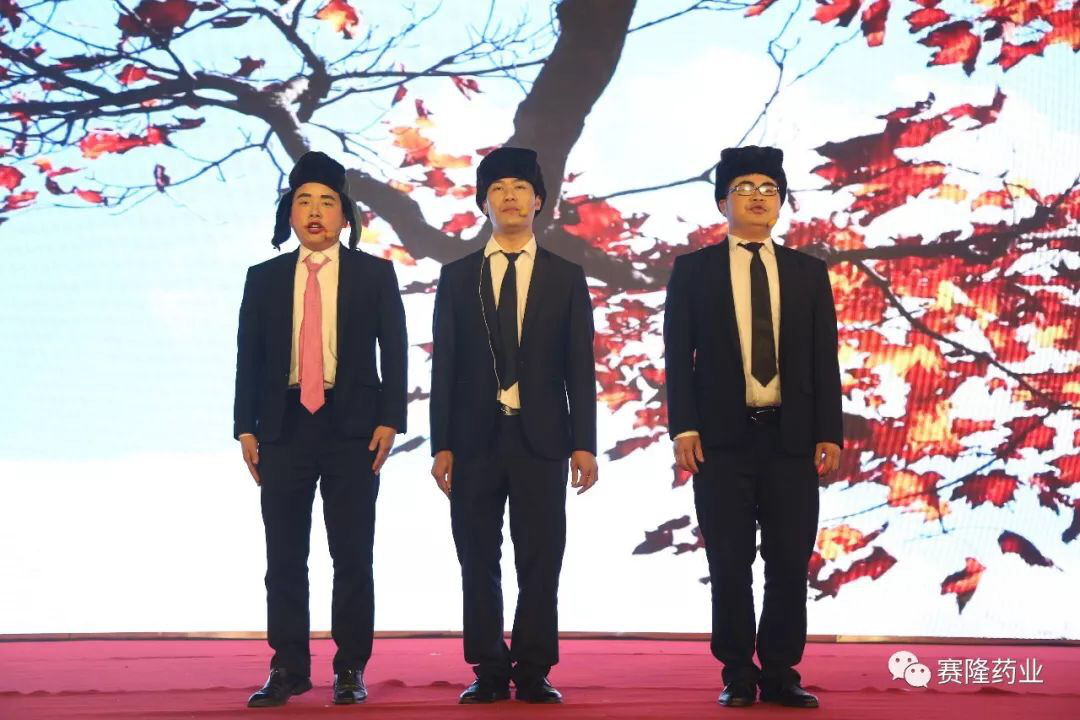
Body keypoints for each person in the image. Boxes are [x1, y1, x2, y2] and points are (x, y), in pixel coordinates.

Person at [664, 145, 843, 709]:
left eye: (770, 189)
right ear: (722, 202)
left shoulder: (807, 272)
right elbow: (677, 356)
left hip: (792, 439)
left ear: (782, 201)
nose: (758, 198)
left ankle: (782, 670)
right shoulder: (694, 270)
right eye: (744, 188)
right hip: (720, 441)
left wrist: (829, 431)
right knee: (729, 561)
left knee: (789, 561)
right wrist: (683, 428)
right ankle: (737, 671)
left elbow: (824, 357)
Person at [233, 151, 408, 707]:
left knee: (352, 554)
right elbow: (248, 357)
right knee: (284, 556)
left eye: (327, 202)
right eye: (303, 201)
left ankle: (350, 667)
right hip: (282, 426)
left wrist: (391, 419)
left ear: (345, 215)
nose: (314, 212)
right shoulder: (263, 279)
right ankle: (287, 667)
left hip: (352, 427)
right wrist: (244, 427)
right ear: (289, 213)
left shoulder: (374, 274)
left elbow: (395, 350)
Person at [429, 146, 598, 704]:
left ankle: (534, 668)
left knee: (541, 558)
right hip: (473, 440)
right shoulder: (457, 277)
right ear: (483, 202)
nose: (509, 198)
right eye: (498, 189)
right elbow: (445, 366)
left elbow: (579, 366)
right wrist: (442, 444)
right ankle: (488, 667)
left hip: (543, 439)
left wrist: (584, 443)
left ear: (538, 201)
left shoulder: (565, 277)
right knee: (477, 557)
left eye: (520, 188)